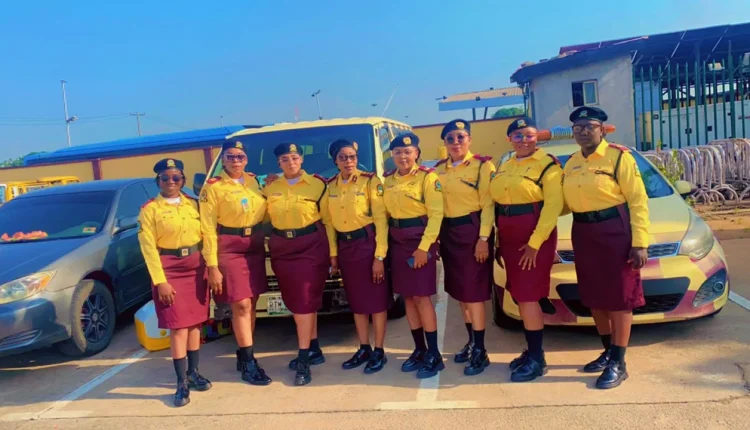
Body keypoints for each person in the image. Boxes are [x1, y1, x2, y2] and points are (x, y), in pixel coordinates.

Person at [562, 106, 649, 389]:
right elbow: (563, 203)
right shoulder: (571, 162)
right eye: (578, 128)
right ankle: (608, 351)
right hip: (583, 232)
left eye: (590, 126)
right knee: (594, 296)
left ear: (602, 129)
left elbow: (637, 200)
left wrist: (640, 243)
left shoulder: (619, 157)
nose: (584, 131)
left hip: (615, 231)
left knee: (620, 297)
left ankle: (619, 363)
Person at [490, 117, 564, 382]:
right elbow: (497, 203)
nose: (524, 140)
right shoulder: (506, 165)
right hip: (509, 237)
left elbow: (552, 207)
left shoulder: (548, 165)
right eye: (518, 136)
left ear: (537, 137)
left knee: (529, 295)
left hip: (532, 237)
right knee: (520, 294)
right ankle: (532, 351)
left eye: (529, 135)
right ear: (509, 139)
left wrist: (535, 244)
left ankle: (537, 359)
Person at [138, 158, 211, 407]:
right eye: (165, 178)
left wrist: (211, 266)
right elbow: (148, 249)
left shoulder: (194, 204)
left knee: (195, 325)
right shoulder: (150, 210)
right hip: (168, 268)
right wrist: (160, 281)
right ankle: (181, 383)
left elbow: (207, 235)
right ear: (157, 181)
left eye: (176, 177)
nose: (171, 182)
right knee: (178, 327)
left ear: (183, 180)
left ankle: (194, 372)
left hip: (196, 267)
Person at [199, 140, 271, 386]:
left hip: (254, 245)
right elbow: (207, 228)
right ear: (223, 160)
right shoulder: (213, 188)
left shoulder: (254, 182)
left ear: (246, 159)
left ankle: (244, 352)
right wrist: (212, 266)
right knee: (240, 304)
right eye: (230, 157)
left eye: (240, 156)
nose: (235, 161)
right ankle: (249, 364)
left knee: (251, 302)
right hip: (228, 246)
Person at [264, 143, 334, 386]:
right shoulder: (271, 187)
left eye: (294, 157)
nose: (290, 162)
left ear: (301, 159)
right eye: (285, 159)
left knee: (304, 300)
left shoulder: (318, 185)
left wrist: (333, 254)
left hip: (310, 246)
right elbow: (262, 216)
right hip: (282, 248)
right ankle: (314, 349)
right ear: (279, 163)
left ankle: (303, 358)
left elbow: (328, 221)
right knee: (296, 301)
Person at [433, 119, 495, 376]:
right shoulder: (438, 170)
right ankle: (471, 341)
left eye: (460, 137)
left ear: (469, 139)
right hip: (448, 233)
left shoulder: (483, 166)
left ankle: (481, 350)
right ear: (445, 143)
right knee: (459, 291)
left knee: (474, 293)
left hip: (472, 231)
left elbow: (488, 205)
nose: (455, 142)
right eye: (450, 138)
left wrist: (483, 239)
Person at [382, 132, 445, 379]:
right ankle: (419, 349)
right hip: (397, 241)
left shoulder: (428, 178)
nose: (403, 156)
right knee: (407, 297)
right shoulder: (388, 180)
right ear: (392, 155)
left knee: (422, 297)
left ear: (416, 153)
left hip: (419, 240)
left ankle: (434, 354)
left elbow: (436, 215)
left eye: (408, 152)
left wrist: (424, 248)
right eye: (398, 152)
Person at [325, 139, 391, 374]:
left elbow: (381, 221)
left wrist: (379, 257)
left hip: (368, 245)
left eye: (352, 156)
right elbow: (329, 224)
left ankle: (379, 350)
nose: (348, 161)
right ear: (335, 161)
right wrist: (333, 254)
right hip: (346, 248)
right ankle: (364, 347)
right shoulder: (330, 186)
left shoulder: (370, 181)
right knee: (357, 301)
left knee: (377, 301)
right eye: (343, 157)